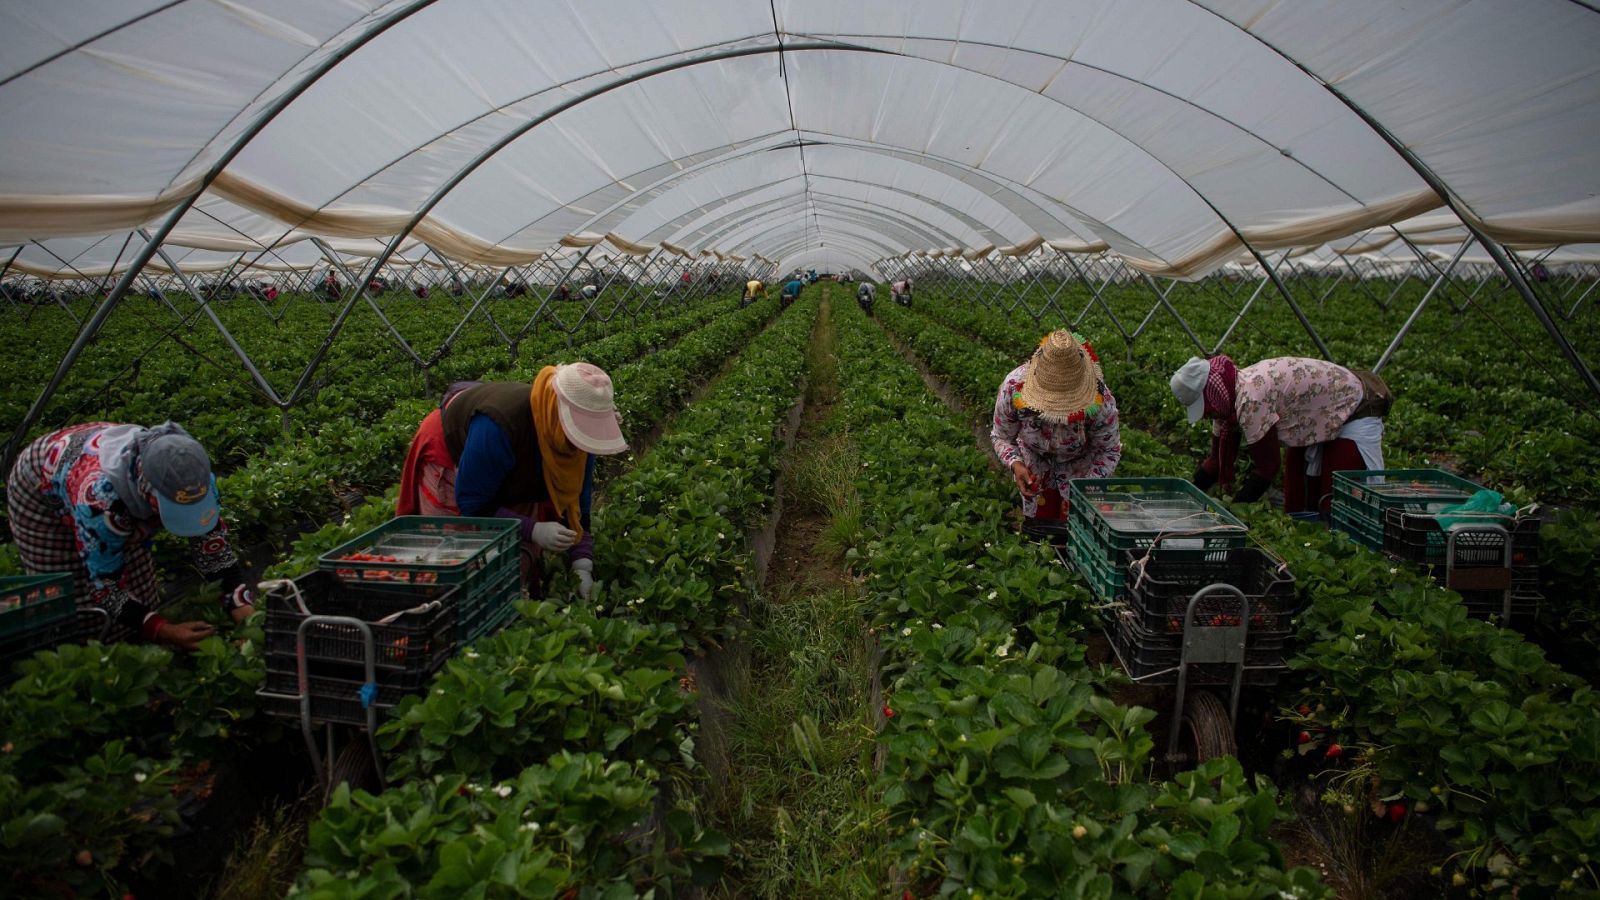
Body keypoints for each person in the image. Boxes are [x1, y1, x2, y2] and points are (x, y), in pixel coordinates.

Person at [6, 422, 256, 650]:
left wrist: (247, 619)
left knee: (142, 590)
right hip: (40, 486)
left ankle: (138, 645)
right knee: (75, 601)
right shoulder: (100, 500)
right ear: (146, 491)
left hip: (101, 467)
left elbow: (215, 554)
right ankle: (84, 663)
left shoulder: (192, 477)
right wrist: (164, 631)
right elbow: (107, 588)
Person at [396, 364, 627, 600]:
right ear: (562, 419)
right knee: (459, 554)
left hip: (510, 457)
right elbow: (472, 504)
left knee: (514, 554)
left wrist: (582, 562)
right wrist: (533, 529)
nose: (582, 445)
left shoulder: (576, 440)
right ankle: (444, 613)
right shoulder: (499, 425)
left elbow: (578, 499)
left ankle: (514, 601)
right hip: (454, 450)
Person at [1169, 355, 1392, 512]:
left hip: (1353, 405)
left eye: (1204, 407)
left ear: (1212, 393)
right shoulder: (1226, 405)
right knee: (1296, 499)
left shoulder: (1250, 400)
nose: (1206, 415)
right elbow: (1214, 461)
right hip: (1313, 419)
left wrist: (1233, 513)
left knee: (1334, 498)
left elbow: (1267, 469)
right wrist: (1183, 498)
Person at [991, 331, 1122, 528]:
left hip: (1081, 469)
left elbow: (1109, 450)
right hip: (1035, 466)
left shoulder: (1100, 402)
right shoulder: (1013, 388)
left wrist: (1085, 489)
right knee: (1040, 529)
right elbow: (1001, 437)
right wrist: (1017, 465)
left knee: (1077, 534)